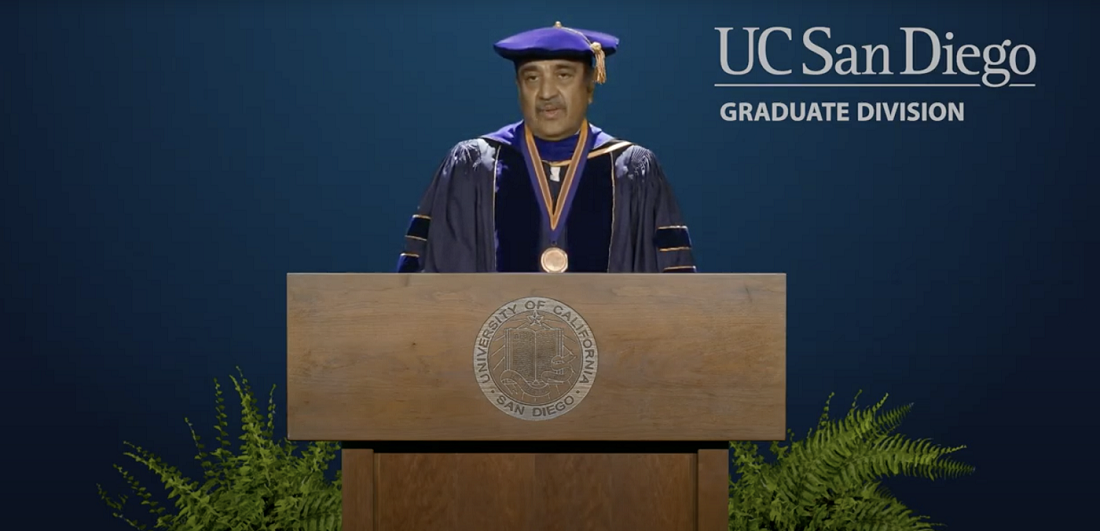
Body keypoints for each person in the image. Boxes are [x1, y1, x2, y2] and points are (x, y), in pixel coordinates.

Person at [396, 22, 696, 273]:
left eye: (563, 75)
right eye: (532, 78)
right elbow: (435, 283)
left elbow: (671, 285)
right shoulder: (474, 166)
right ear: (518, 88)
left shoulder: (631, 169)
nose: (546, 92)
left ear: (590, 86)